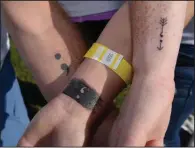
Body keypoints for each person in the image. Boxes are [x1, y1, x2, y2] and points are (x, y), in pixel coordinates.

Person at [1, 1, 194, 147]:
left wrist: (152, 77)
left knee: (161, 128)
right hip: (68, 22)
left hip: (179, 35)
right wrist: (85, 111)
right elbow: (32, 18)